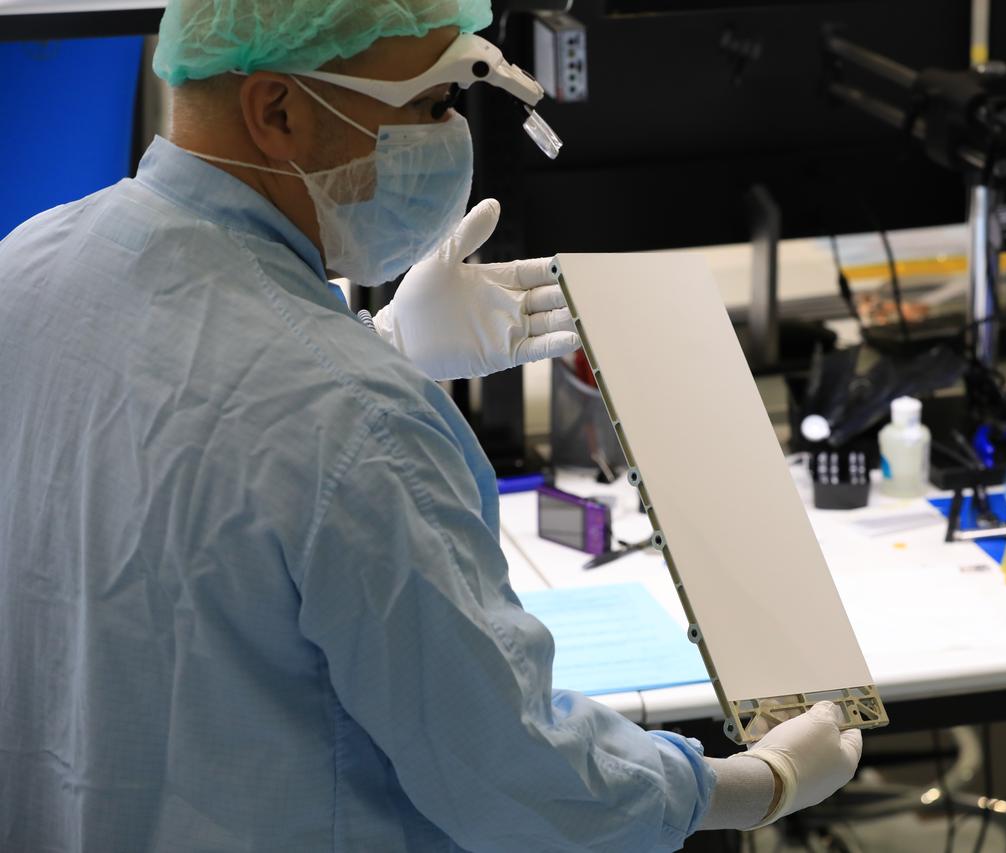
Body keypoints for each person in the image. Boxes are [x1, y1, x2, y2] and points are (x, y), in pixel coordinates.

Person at [0, 1, 863, 849]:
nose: (453, 135)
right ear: (279, 111)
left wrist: (375, 344)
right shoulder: (358, 420)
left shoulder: (26, 267)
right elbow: (515, 779)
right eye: (434, 102)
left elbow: (176, 454)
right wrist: (751, 785)